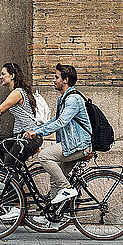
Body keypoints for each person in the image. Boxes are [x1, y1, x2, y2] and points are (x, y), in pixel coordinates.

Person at [0, 62, 43, 221]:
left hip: (29, 138)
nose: (0, 76)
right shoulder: (17, 92)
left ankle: (17, 206)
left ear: (12, 75)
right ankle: (2, 179)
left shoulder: (17, 92)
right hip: (21, 137)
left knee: (10, 163)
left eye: (3, 73)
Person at [23, 63, 92, 225]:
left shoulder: (73, 99)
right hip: (71, 144)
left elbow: (61, 122)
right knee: (56, 178)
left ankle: (68, 189)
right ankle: (52, 214)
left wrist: (37, 133)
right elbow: (54, 121)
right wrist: (36, 129)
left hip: (79, 145)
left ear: (65, 80)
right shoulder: (63, 98)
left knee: (45, 156)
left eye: (56, 77)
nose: (53, 80)